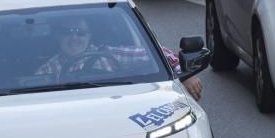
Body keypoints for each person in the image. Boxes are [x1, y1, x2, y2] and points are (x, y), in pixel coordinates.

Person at [37, 17, 204, 100]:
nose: (75, 38)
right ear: (58, 36)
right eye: (68, 32)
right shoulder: (45, 71)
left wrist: (184, 74)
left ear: (89, 36)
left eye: (80, 32)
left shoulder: (111, 53)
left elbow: (160, 53)